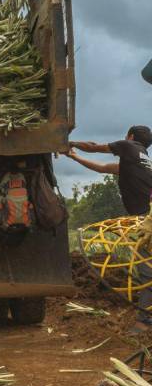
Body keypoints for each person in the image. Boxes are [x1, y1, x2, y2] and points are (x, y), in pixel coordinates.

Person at [66, 125, 152, 332]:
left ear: (130, 137)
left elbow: (94, 147)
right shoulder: (141, 161)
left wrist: (69, 144)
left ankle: (144, 323)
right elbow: (103, 168)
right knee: (145, 267)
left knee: (146, 270)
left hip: (147, 222)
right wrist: (74, 157)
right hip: (144, 219)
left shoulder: (128, 147)